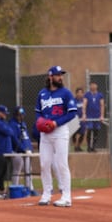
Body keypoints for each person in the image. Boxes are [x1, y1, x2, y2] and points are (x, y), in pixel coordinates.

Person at [35, 65, 77, 207]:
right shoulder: (42, 93)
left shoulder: (66, 93)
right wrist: (40, 121)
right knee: (44, 164)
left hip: (60, 132)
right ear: (50, 77)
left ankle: (66, 197)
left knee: (61, 164)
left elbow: (72, 113)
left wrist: (56, 123)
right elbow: (38, 112)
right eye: (58, 75)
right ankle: (47, 194)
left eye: (61, 75)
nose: (61, 77)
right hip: (45, 133)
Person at [8, 106, 38, 196]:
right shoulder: (12, 124)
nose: (21, 117)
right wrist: (22, 149)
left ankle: (30, 188)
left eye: (22, 115)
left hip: (26, 151)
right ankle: (15, 188)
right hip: (17, 151)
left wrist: (29, 148)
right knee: (17, 169)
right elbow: (15, 139)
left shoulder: (23, 124)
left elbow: (26, 137)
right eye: (19, 115)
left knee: (28, 170)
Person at [82, 81, 105, 152]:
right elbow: (84, 105)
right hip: (89, 116)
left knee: (96, 131)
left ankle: (94, 147)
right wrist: (84, 114)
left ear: (96, 86)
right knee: (89, 130)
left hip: (97, 116)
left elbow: (102, 105)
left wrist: (102, 115)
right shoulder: (87, 95)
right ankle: (89, 146)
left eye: (94, 85)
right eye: (91, 85)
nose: (93, 86)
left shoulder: (100, 95)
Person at [72, 87, 86, 152]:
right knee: (74, 133)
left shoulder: (84, 101)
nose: (80, 94)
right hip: (75, 119)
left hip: (82, 120)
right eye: (78, 92)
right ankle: (75, 146)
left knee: (82, 133)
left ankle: (79, 146)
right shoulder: (73, 100)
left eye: (81, 93)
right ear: (76, 93)